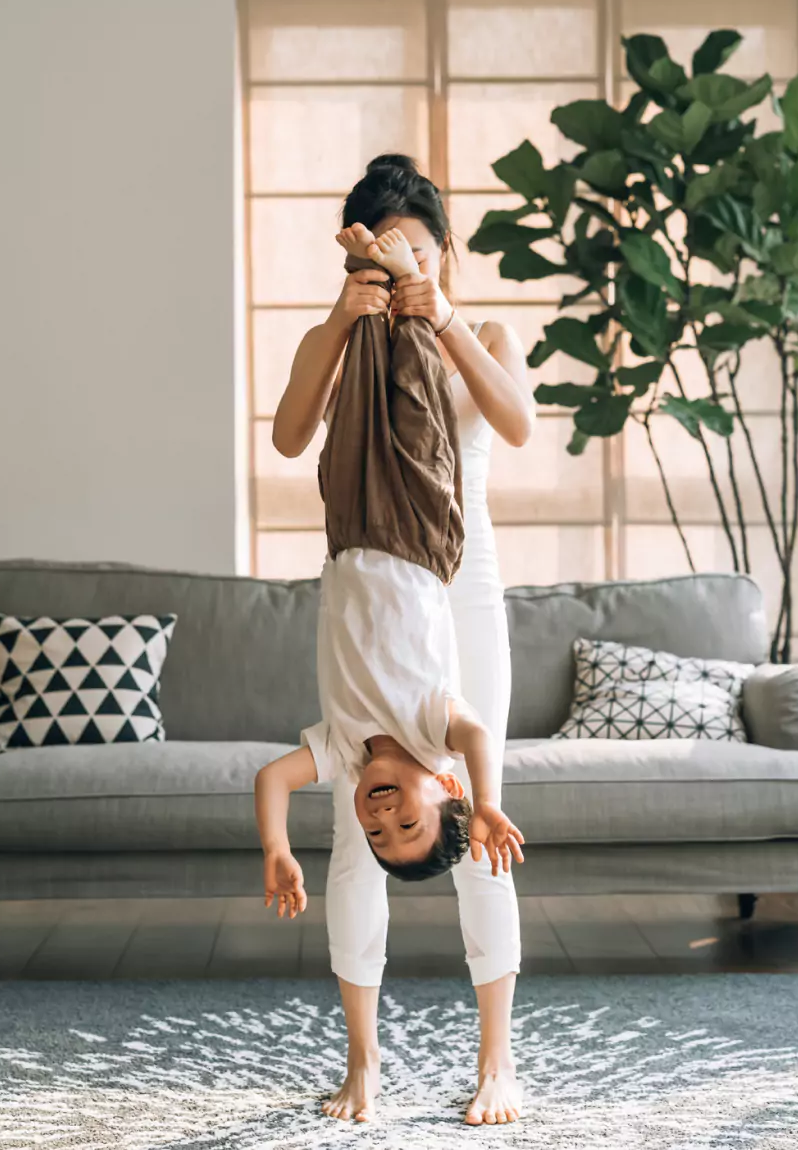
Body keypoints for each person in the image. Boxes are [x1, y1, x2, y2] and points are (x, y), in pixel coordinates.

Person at [267, 155, 535, 1125]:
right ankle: (364, 1063)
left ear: (444, 250)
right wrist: (348, 319)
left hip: (466, 593)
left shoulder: (485, 328)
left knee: (477, 828)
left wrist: (440, 316)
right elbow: (291, 438)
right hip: (375, 609)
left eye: (416, 249)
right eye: (383, 256)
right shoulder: (340, 334)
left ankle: (497, 1059)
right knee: (353, 829)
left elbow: (516, 420)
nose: (403, 266)